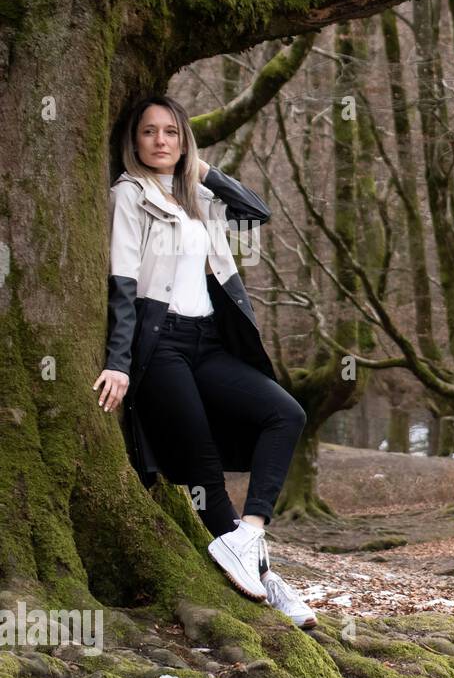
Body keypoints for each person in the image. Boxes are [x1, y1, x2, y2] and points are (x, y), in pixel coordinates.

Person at [93, 95, 316, 629]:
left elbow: (255, 210)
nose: (161, 141)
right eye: (150, 132)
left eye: (172, 131)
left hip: (209, 342)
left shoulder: (198, 195)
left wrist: (204, 169)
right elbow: (122, 284)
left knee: (286, 414)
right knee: (204, 469)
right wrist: (119, 363)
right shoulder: (129, 196)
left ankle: (251, 536)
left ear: (184, 140)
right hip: (161, 345)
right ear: (135, 141)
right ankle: (266, 581)